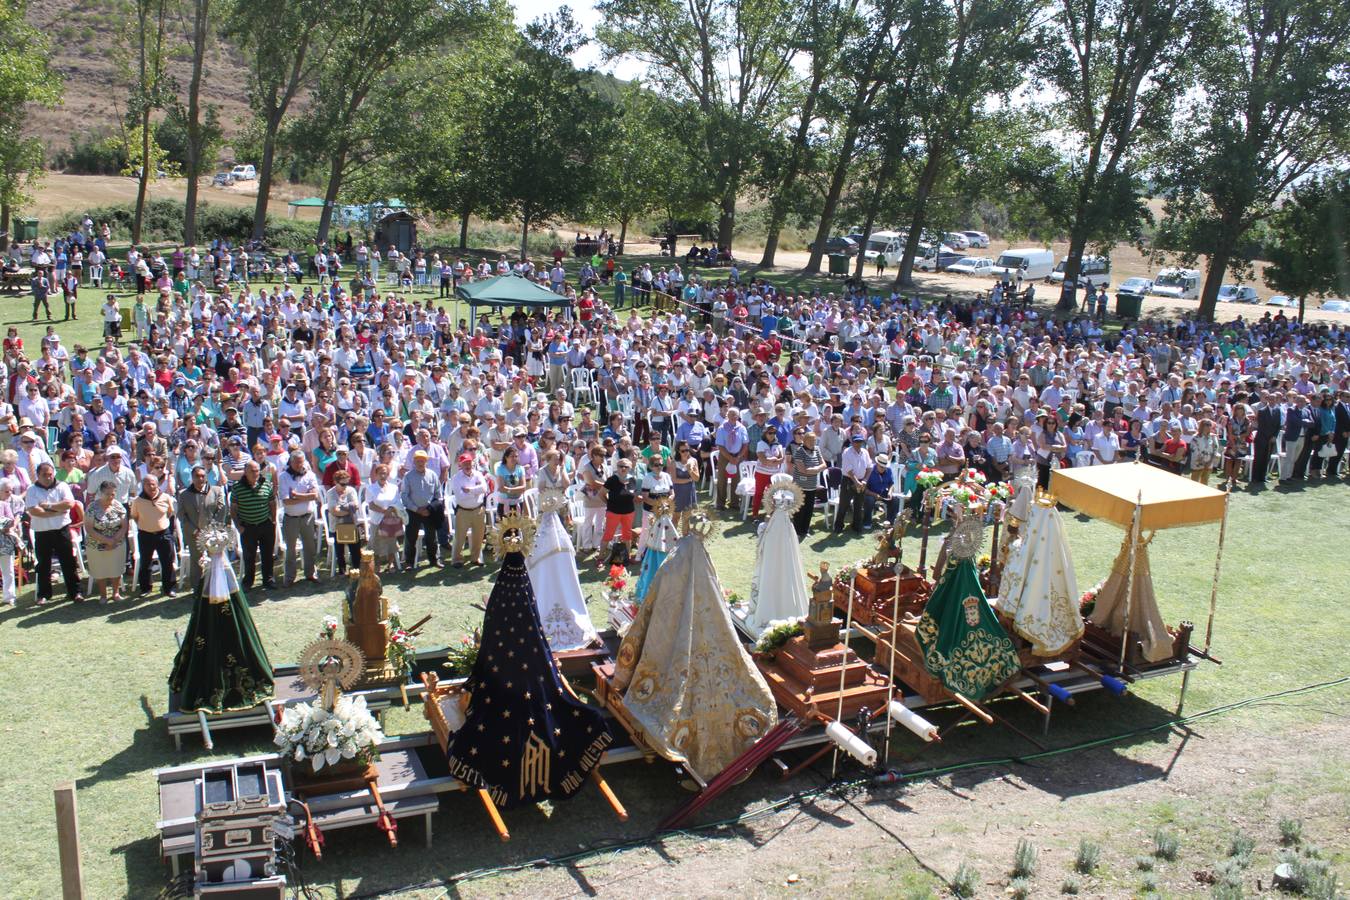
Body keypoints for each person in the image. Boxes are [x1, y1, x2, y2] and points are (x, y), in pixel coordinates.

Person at [26, 462, 83, 604]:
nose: (48, 477)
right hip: (42, 532)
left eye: (50, 474)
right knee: (44, 565)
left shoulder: (62, 486)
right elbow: (34, 511)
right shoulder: (32, 490)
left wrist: (48, 506)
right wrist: (57, 512)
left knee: (68, 562)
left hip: (61, 530)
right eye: (44, 475)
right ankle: (44, 594)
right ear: (38, 475)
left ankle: (75, 592)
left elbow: (69, 504)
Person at [177, 464, 227, 590]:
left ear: (206, 477)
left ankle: (215, 587)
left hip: (213, 534)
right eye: (197, 476)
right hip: (194, 534)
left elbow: (221, 510)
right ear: (192, 477)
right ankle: (198, 589)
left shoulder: (216, 491)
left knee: (215, 560)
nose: (200, 479)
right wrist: (194, 531)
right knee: (197, 562)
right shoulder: (184, 495)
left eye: (202, 476)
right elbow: (182, 516)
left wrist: (212, 530)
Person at [231, 460, 277, 590]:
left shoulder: (266, 484)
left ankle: (268, 580)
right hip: (248, 526)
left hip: (265, 524)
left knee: (268, 555)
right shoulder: (237, 487)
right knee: (249, 556)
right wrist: (238, 526)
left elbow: (272, 503)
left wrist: (273, 520)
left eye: (257, 471)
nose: (255, 473)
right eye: (252, 471)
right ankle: (248, 582)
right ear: (245, 472)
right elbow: (233, 509)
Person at [130, 473, 177, 596]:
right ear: (143, 485)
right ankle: (146, 588)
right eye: (148, 484)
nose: (151, 487)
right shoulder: (138, 501)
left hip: (164, 534)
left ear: (157, 484)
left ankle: (169, 588)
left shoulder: (166, 497)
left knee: (167, 562)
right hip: (145, 535)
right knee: (146, 563)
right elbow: (135, 516)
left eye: (153, 484)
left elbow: (170, 513)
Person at [400, 448, 445, 570]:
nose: (420, 463)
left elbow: (438, 495)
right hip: (413, 511)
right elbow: (404, 495)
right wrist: (416, 509)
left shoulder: (433, 475)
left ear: (426, 461)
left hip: (429, 511)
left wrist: (430, 509)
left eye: (422, 461)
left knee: (431, 537)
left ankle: (434, 560)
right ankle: (409, 562)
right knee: (411, 537)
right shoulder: (408, 476)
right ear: (414, 462)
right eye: (418, 461)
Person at [84, 478, 128, 602]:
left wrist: (114, 541)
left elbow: (124, 526)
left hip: (117, 543)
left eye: (113, 494)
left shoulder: (118, 506)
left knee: (116, 569)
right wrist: (106, 541)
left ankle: (116, 593)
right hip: (96, 545)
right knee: (100, 570)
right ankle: (103, 595)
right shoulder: (92, 508)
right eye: (107, 494)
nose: (110, 496)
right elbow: (89, 529)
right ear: (100, 493)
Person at [449, 452, 488, 567]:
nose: (467, 465)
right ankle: (457, 559)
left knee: (479, 536)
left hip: (478, 510)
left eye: (469, 462)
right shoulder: (456, 478)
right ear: (460, 465)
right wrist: (477, 491)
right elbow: (461, 496)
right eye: (465, 463)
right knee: (460, 537)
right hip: (463, 511)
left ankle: (475, 558)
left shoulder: (478, 474)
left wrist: (470, 490)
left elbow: (484, 488)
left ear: (472, 463)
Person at [365, 462, 404, 571]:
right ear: (376, 475)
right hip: (377, 520)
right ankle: (376, 564)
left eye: (385, 474)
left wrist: (391, 509)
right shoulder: (371, 488)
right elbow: (371, 504)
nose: (383, 476)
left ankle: (390, 563)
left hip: (391, 519)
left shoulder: (394, 487)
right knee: (375, 543)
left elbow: (397, 502)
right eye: (381, 473)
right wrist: (383, 511)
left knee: (391, 542)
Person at [600, 458, 638, 566]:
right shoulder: (612, 479)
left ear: (630, 468)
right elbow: (601, 494)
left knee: (627, 535)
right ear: (617, 467)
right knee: (608, 535)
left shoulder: (632, 480)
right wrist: (608, 503)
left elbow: (631, 494)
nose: (623, 468)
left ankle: (627, 557)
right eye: (621, 466)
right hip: (614, 512)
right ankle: (600, 558)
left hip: (629, 512)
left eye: (626, 466)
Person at [326, 467, 364, 573]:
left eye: (347, 483)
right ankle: (342, 569)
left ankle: (356, 568)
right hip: (337, 526)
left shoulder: (351, 490)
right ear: (335, 482)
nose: (345, 486)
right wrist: (349, 509)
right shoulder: (330, 493)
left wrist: (342, 508)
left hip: (351, 524)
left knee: (355, 547)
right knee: (339, 548)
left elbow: (356, 505)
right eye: (342, 484)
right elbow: (334, 511)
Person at [835, 434, 870, 533]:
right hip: (848, 480)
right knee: (844, 504)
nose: (858, 444)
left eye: (860, 442)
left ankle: (857, 526)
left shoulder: (865, 452)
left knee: (859, 505)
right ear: (852, 442)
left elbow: (869, 467)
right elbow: (849, 470)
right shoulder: (847, 452)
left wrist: (864, 480)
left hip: (862, 480)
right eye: (856, 442)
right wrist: (856, 482)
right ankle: (838, 526)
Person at [0, 481, 26, 604]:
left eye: (11, 490)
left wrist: (7, 525)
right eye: (6, 491)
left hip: (5, 541)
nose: (9, 493)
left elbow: (11, 521)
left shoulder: (4, 505)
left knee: (8, 570)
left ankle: (9, 596)